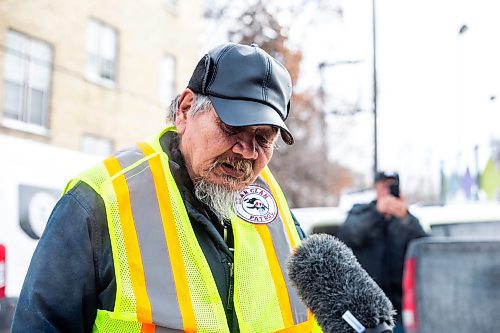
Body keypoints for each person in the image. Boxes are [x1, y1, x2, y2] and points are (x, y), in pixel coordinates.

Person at [12, 43, 318, 333]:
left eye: (264, 139)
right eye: (233, 127)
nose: (246, 151)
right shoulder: (99, 201)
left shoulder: (273, 206)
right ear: (185, 110)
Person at [337, 171, 427, 333]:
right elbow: (350, 235)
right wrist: (377, 213)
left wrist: (405, 218)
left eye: (391, 186)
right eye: (384, 186)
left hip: (399, 308)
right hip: (365, 308)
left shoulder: (406, 218)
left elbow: (423, 246)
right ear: (376, 188)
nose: (387, 191)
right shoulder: (361, 212)